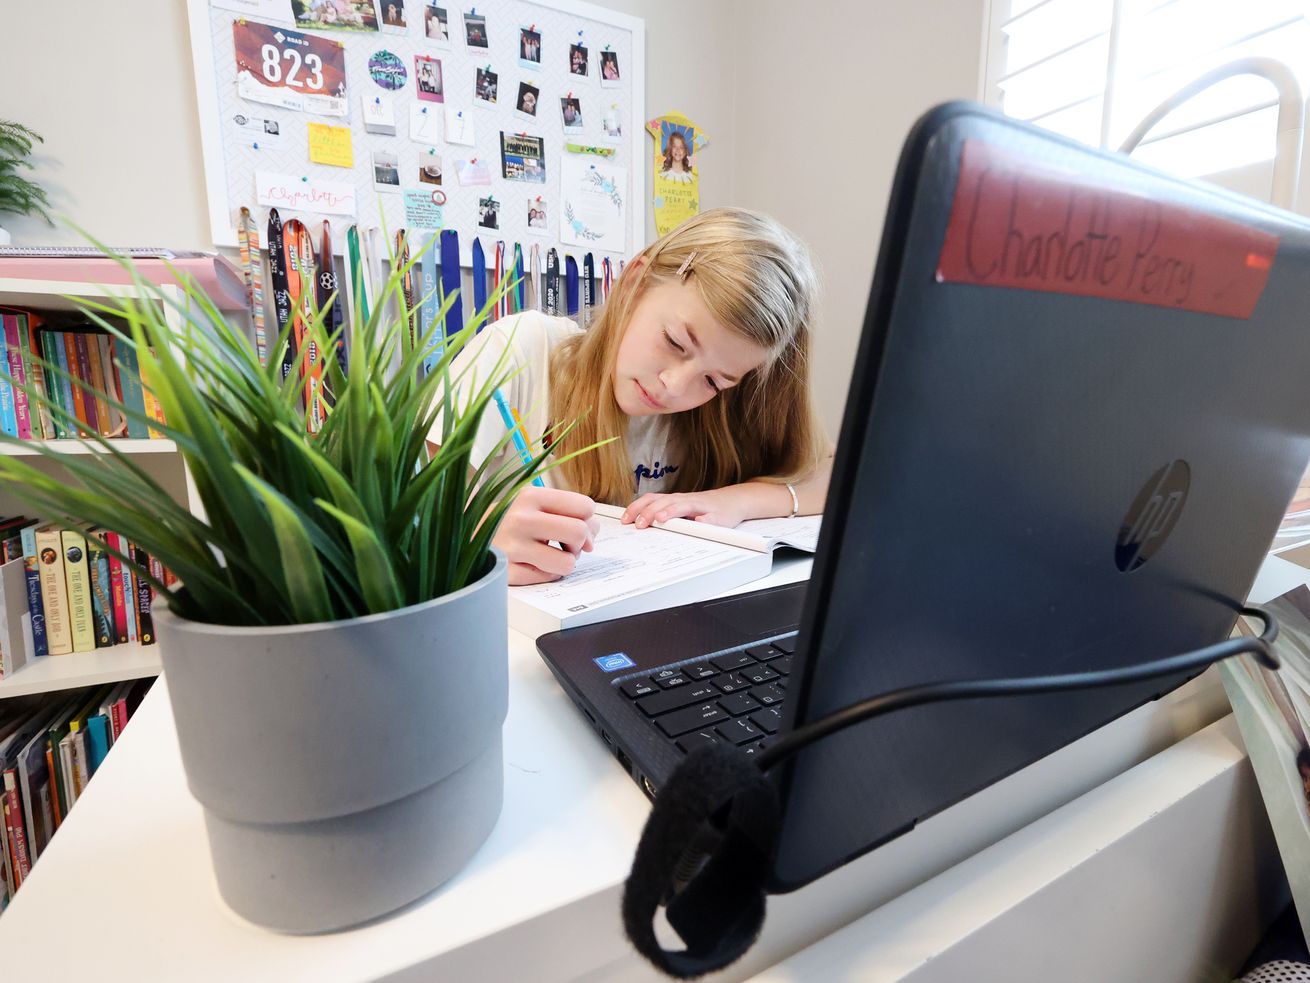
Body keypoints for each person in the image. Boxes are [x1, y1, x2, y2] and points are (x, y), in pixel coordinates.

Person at [426, 208, 832, 586]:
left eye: (713, 381)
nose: (674, 386)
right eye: (674, 342)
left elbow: (834, 475)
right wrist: (477, 532)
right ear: (636, 280)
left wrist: (737, 501)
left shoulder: (724, 409)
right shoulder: (522, 348)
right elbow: (412, 502)